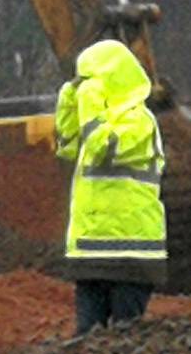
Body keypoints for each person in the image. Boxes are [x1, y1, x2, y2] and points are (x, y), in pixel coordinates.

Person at [54, 23, 168, 334]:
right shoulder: (97, 118)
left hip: (130, 256)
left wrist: (89, 102)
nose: (87, 88)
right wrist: (68, 103)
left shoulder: (139, 121)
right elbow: (67, 147)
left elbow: (102, 147)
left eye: (92, 81)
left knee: (124, 337)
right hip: (91, 253)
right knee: (87, 339)